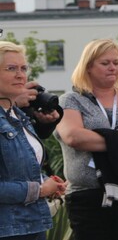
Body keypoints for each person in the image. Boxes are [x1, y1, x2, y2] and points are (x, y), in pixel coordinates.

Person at [55, 39, 118, 240]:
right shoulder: (71, 100)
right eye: (105, 63)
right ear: (88, 66)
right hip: (88, 196)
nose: (113, 68)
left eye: (116, 62)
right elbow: (74, 136)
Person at [0, 41, 67, 239]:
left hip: (32, 224)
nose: (20, 74)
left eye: (23, 68)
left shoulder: (18, 115)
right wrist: (38, 190)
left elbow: (20, 170)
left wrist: (47, 182)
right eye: (11, 68)